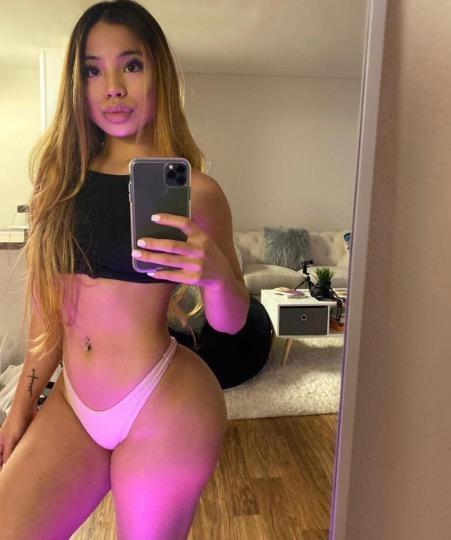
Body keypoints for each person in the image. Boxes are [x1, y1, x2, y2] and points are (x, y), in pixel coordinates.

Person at [0, 1, 251, 538]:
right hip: (72, 404)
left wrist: (214, 275)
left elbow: (231, 322)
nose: (112, 87)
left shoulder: (198, 192)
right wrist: (21, 406)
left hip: (164, 403)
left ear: (158, 71)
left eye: (130, 65)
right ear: (77, 84)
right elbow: (48, 318)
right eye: (93, 70)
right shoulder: (58, 184)